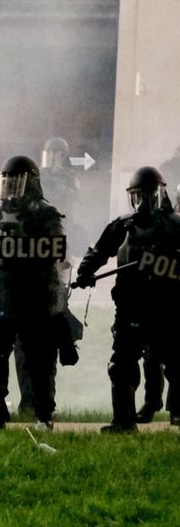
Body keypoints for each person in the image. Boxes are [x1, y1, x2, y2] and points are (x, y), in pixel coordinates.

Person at [0, 156, 68, 430]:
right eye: (6, 182)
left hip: (36, 298)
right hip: (2, 297)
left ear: (31, 183)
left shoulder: (47, 216)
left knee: (38, 361)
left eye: (15, 182)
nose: (9, 188)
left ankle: (43, 415)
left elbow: (57, 262)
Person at [75, 166, 180, 432]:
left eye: (147, 196)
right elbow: (98, 251)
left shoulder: (176, 226)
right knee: (121, 365)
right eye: (137, 196)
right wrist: (85, 272)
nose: (143, 202)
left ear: (159, 195)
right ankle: (123, 420)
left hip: (167, 310)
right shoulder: (124, 225)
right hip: (132, 309)